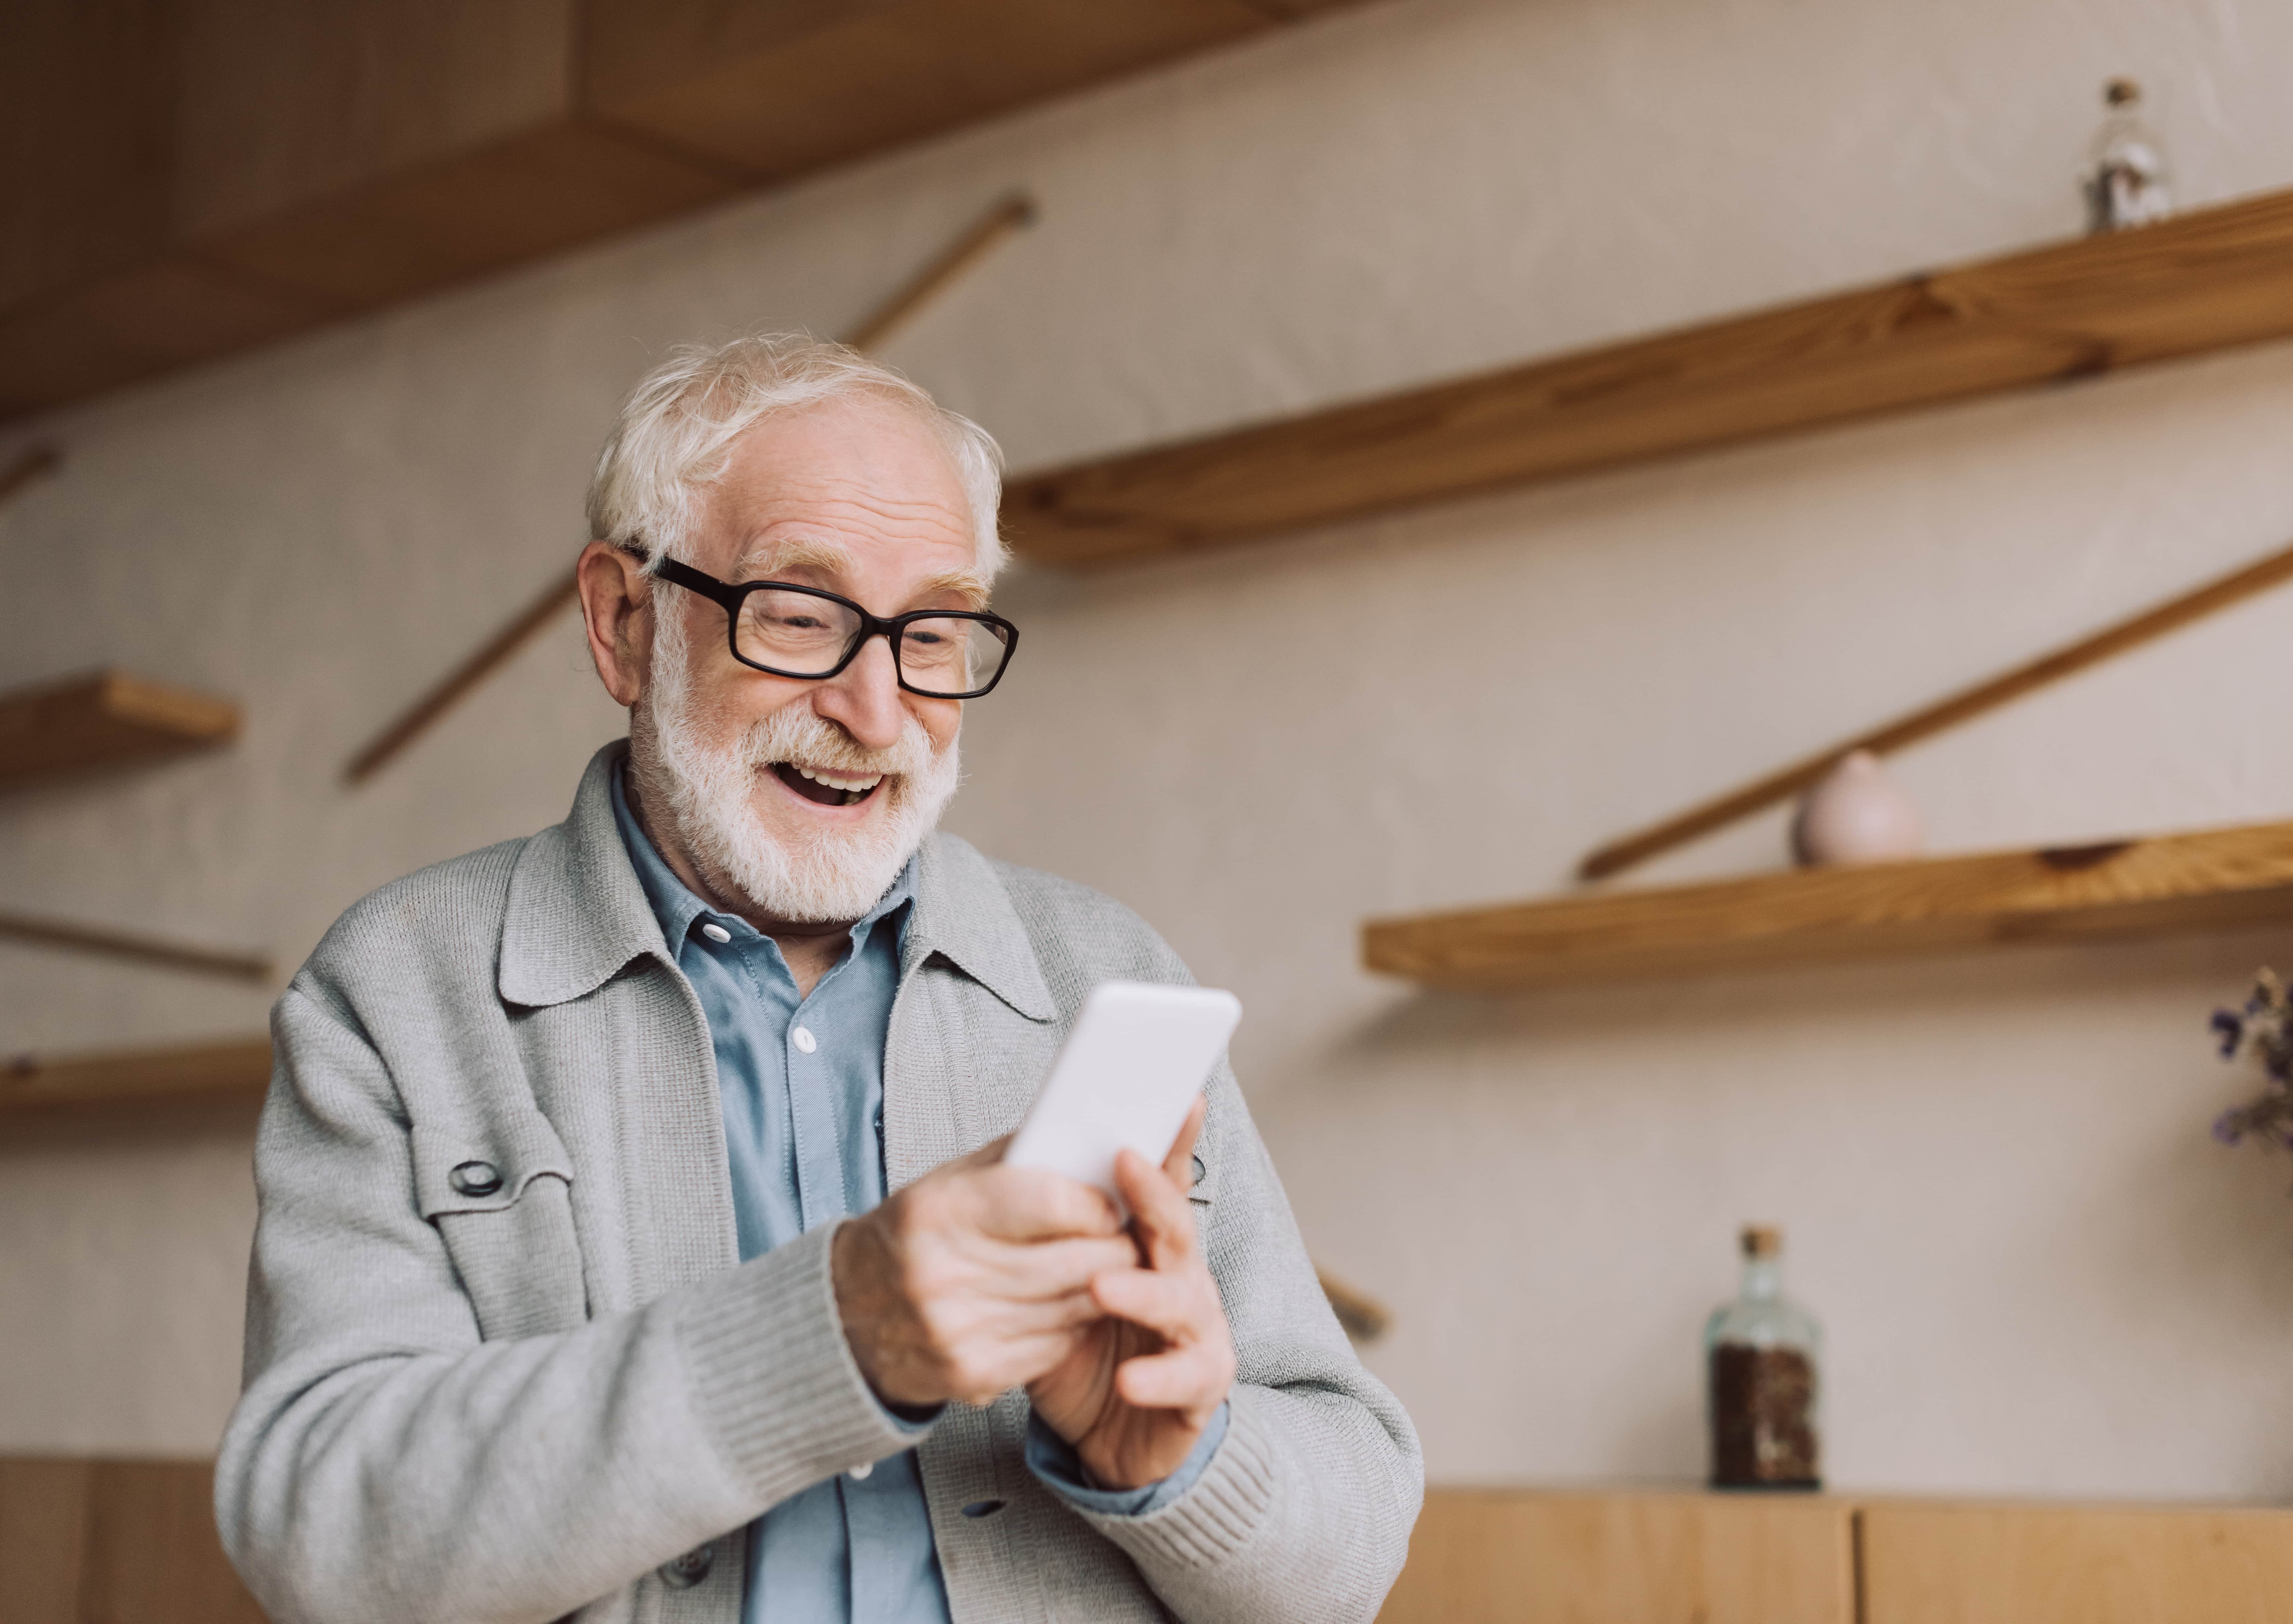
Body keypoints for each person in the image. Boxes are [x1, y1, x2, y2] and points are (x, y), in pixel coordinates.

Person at [215, 334, 1422, 1624]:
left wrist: (1177, 1462)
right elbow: (317, 1534)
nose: (876, 705)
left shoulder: (1107, 971)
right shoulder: (397, 988)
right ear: (624, 624)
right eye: (799, 616)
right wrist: (837, 1334)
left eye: (936, 630)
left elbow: (1346, 1565)